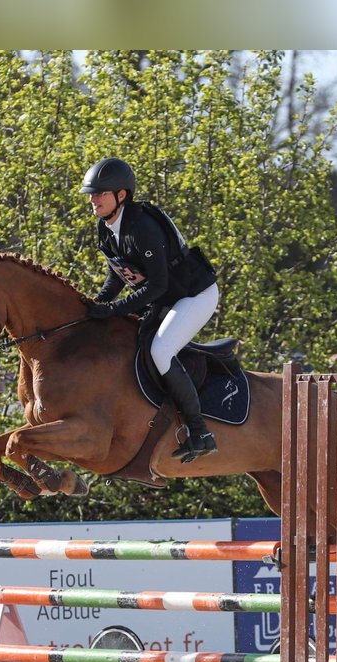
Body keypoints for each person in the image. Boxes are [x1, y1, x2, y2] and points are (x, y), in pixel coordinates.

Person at [80, 157, 220, 462]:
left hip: (194, 294)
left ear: (121, 195)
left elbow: (156, 285)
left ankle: (200, 432)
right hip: (165, 296)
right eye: (91, 194)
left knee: (160, 350)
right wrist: (96, 306)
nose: (92, 199)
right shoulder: (105, 227)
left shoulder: (142, 227)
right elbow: (116, 276)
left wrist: (114, 309)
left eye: (99, 193)